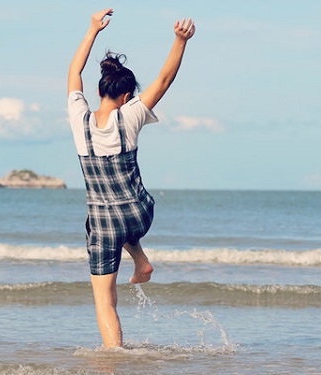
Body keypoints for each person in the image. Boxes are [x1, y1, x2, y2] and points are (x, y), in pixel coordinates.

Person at [67, 8, 195, 348]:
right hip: (140, 214)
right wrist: (180, 41)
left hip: (106, 225)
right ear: (126, 96)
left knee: (105, 301)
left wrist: (92, 29)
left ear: (100, 92)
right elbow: (165, 80)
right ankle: (140, 260)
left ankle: (114, 358)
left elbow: (73, 71)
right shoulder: (132, 115)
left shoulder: (79, 119)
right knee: (118, 219)